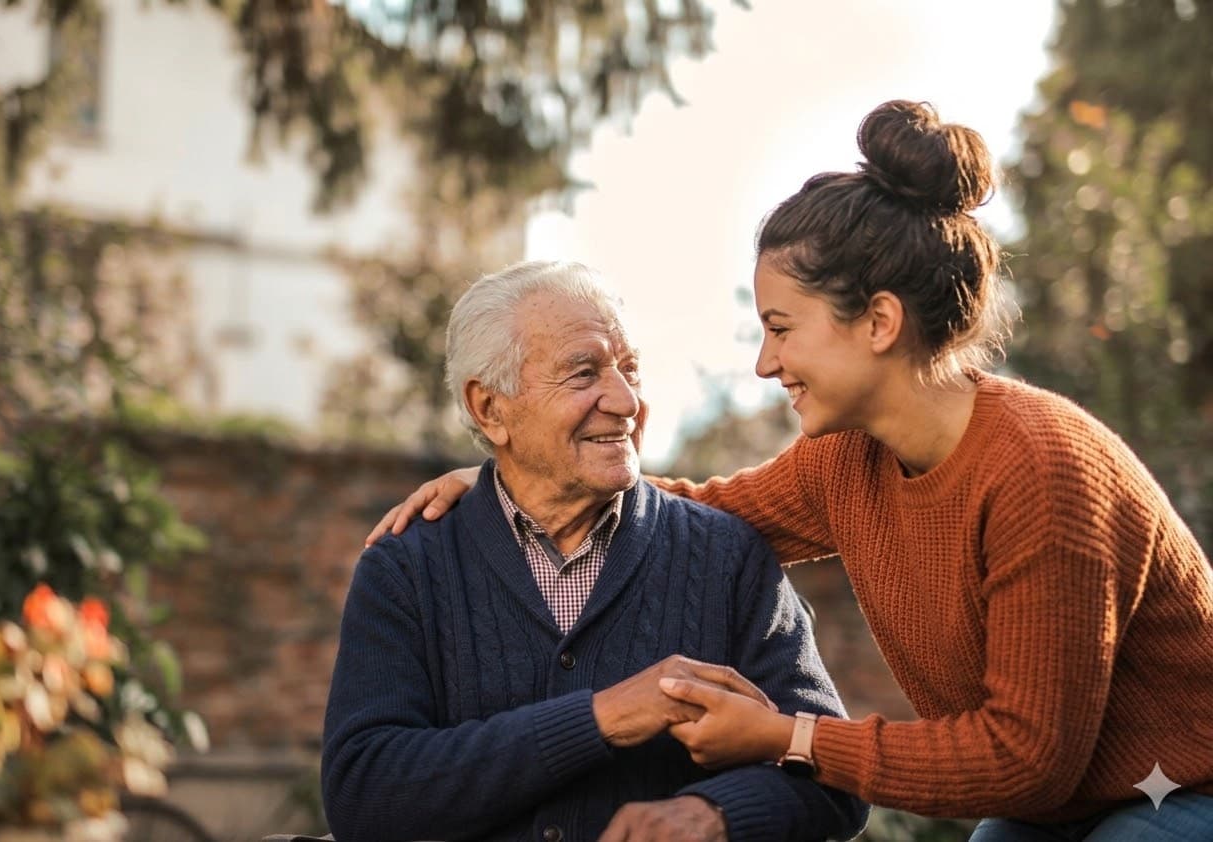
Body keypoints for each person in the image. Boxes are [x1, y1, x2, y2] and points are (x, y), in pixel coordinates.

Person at [363, 101, 1213, 841]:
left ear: (878, 321)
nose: (766, 363)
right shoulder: (846, 462)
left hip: (1182, 795)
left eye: (782, 327)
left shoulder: (1041, 472)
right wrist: (500, 485)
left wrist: (785, 738)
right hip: (1063, 807)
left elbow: (1024, 762)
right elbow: (697, 514)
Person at [323, 260, 868, 842]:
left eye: (631, 369)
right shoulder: (409, 565)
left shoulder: (728, 556)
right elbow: (363, 792)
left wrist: (713, 814)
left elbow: (832, 777)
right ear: (490, 409)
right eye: (584, 374)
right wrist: (600, 718)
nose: (626, 400)